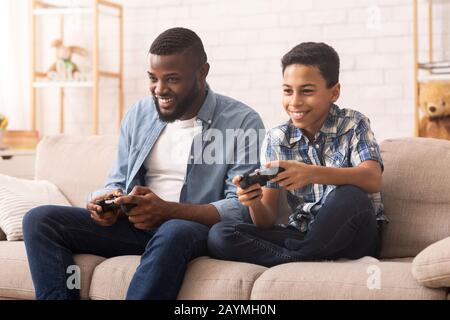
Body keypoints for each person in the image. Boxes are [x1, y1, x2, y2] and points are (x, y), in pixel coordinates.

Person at [22, 27, 264, 300]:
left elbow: (241, 208)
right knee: (40, 220)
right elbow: (117, 179)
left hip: (191, 230)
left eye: (172, 79)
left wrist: (168, 211)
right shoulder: (140, 113)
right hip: (136, 227)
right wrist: (107, 202)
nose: (159, 89)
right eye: (153, 78)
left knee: (174, 229)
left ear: (202, 72)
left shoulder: (242, 121)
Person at [208, 42, 388, 267]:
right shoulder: (277, 138)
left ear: (334, 92)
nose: (294, 102)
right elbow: (266, 220)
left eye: (306, 91)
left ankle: (296, 258)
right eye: (287, 91)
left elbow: (372, 179)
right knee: (220, 234)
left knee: (350, 195)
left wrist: (312, 173)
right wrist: (253, 202)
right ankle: (303, 259)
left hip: (355, 236)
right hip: (303, 233)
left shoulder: (354, 123)